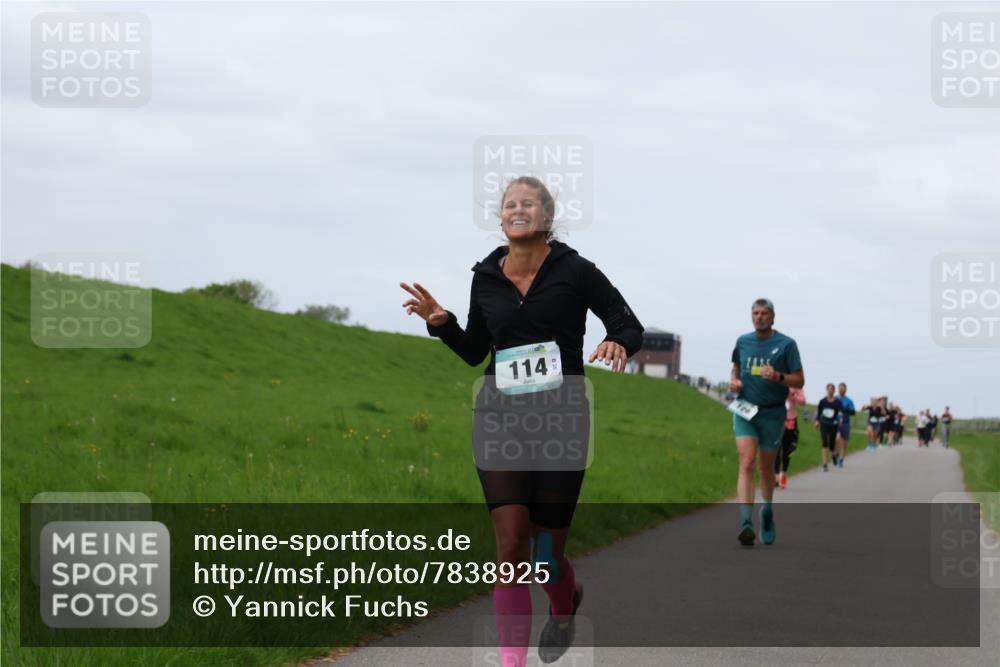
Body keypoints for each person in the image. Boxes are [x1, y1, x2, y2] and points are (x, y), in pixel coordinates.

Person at [401, 176, 643, 666]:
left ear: (546, 217)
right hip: (500, 417)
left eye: (527, 203)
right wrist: (443, 324)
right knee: (511, 544)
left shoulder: (575, 271)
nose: (517, 209)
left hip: (562, 420)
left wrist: (619, 342)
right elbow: (475, 351)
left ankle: (563, 603)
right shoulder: (486, 276)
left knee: (545, 555)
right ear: (501, 217)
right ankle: (512, 661)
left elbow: (627, 324)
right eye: (509, 203)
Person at [729, 298, 805, 547]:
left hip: (773, 413)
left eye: (764, 313)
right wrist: (735, 381)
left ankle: (768, 511)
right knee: (747, 462)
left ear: (773, 317)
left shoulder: (786, 344)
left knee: (765, 468)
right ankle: (746, 523)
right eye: (755, 313)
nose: (759, 317)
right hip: (745, 410)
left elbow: (799, 381)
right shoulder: (743, 341)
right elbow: (736, 368)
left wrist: (779, 376)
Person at [774, 386, 806, 489]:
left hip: (791, 420)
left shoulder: (796, 386)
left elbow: (803, 401)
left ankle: (784, 474)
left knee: (787, 450)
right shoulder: (778, 381)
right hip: (779, 419)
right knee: (777, 448)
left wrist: (794, 395)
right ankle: (776, 476)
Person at [814, 383, 843, 471]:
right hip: (824, 424)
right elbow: (819, 413)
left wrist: (840, 419)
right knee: (824, 443)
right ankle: (825, 464)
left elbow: (840, 412)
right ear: (826, 390)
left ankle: (834, 455)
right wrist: (817, 422)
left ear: (834, 390)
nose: (830, 390)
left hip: (833, 424)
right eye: (828, 388)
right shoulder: (823, 401)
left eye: (832, 389)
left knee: (831, 444)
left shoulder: (837, 402)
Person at [835, 382, 855, 466]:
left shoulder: (849, 401)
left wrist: (845, 409)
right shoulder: (835, 399)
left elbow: (853, 412)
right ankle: (837, 454)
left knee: (845, 444)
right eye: (840, 388)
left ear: (845, 390)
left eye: (843, 388)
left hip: (846, 423)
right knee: (837, 439)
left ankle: (841, 459)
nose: (841, 390)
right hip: (836, 423)